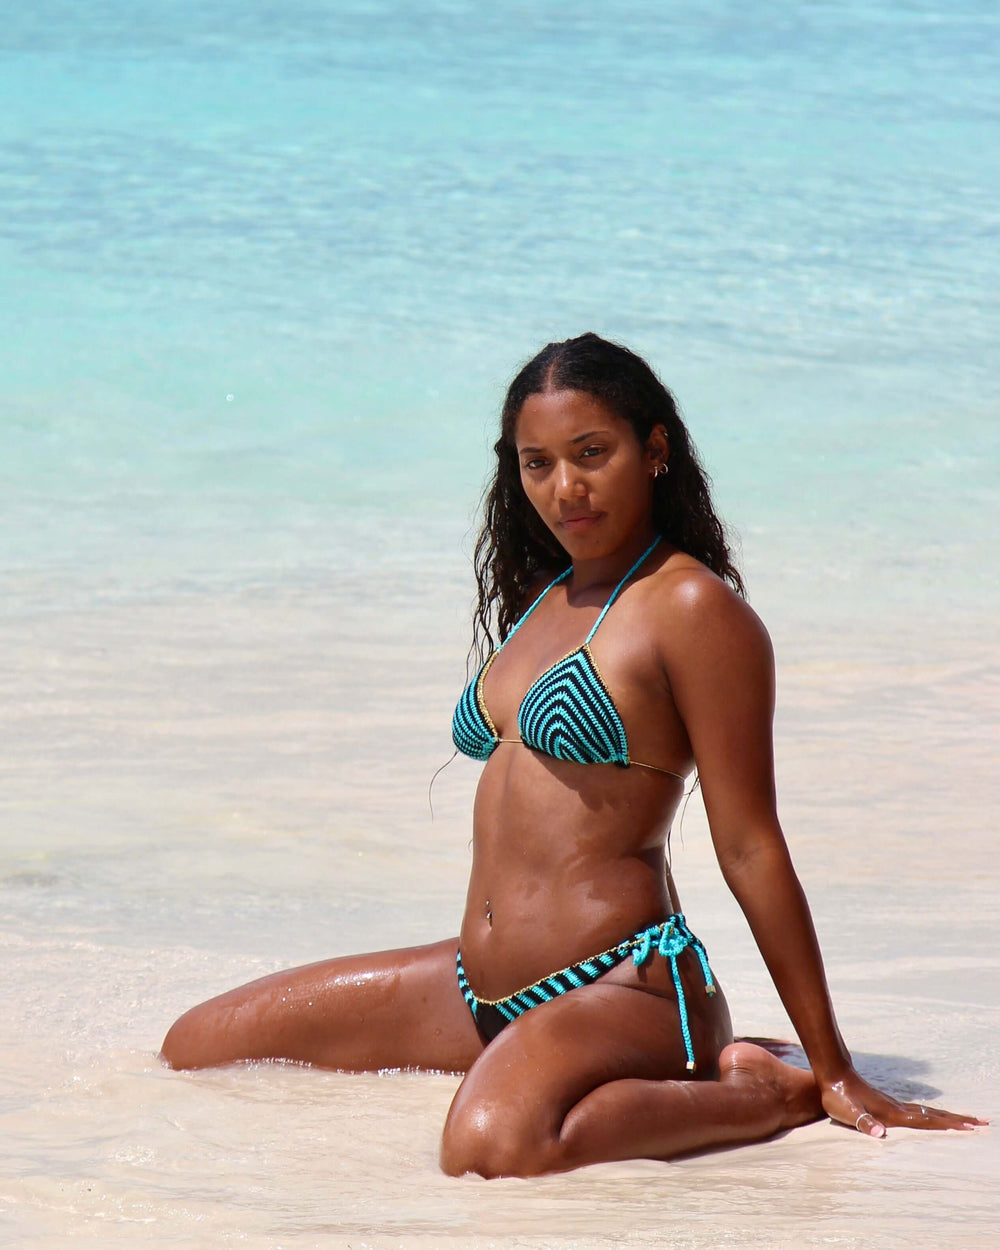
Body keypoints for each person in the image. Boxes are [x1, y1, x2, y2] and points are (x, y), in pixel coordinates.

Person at [161, 333, 983, 1176]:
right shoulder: (545, 598)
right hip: (477, 989)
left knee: (490, 1145)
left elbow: (749, 844)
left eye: (592, 453)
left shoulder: (693, 608)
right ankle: (577, 1060)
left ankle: (765, 1090)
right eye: (538, 463)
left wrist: (836, 1066)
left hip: (624, 987)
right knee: (197, 1046)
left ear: (654, 449)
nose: (566, 488)